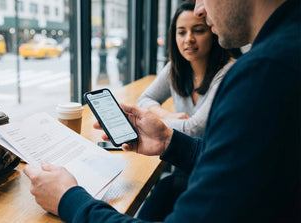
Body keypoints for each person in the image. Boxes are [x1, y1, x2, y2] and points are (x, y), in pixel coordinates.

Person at [23, 0, 300, 222]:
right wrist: (170, 141)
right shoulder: (284, 52)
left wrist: (69, 198)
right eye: (181, 32)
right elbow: (247, 162)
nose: (200, 8)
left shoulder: (263, 73)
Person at [136, 2, 234, 220]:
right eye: (181, 32)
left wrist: (153, 120)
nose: (188, 38)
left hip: (211, 169)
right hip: (184, 164)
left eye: (198, 31)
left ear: (212, 31)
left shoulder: (228, 71)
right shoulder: (175, 68)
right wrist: (168, 115)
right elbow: (144, 99)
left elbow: (195, 128)